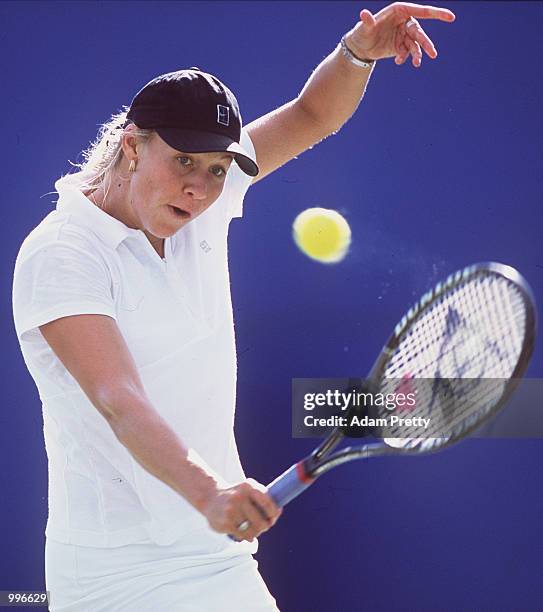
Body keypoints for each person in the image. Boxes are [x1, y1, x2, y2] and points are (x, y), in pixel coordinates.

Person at [12, 3, 455, 611]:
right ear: (132, 146)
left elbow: (312, 114)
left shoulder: (203, 205)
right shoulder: (62, 253)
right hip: (112, 581)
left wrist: (357, 54)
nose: (199, 187)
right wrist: (211, 494)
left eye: (218, 169)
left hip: (217, 562)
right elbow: (120, 400)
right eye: (184, 162)